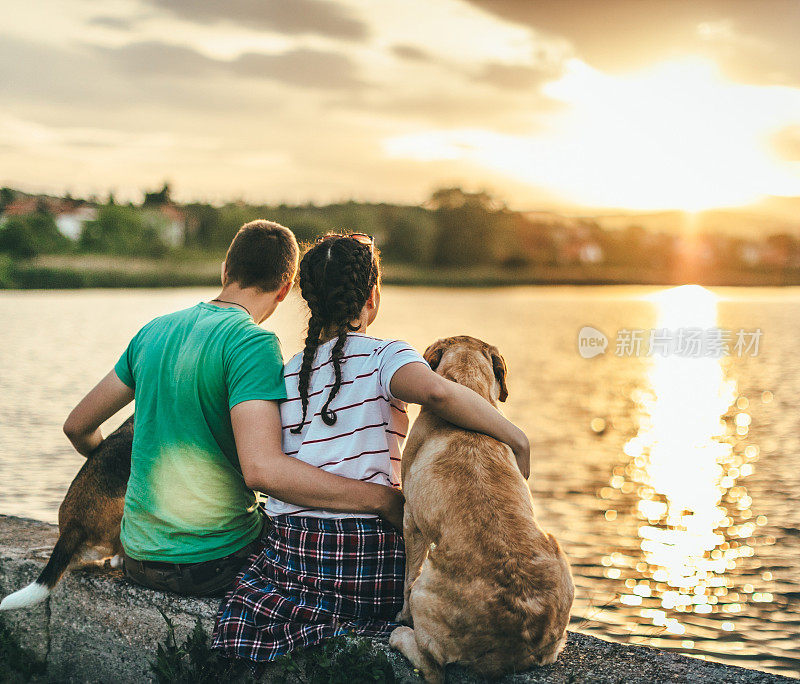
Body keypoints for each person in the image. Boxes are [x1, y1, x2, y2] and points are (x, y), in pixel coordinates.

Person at [213, 233, 530, 663]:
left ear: (308, 300)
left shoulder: (286, 372)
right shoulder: (386, 357)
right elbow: (440, 395)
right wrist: (516, 437)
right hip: (367, 558)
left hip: (295, 556)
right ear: (372, 299)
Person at [62, 221, 404, 597]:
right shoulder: (251, 343)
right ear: (286, 288)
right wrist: (380, 498)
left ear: (225, 270)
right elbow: (261, 470)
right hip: (211, 563)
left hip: (138, 558)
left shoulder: (154, 331)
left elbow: (77, 426)